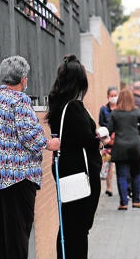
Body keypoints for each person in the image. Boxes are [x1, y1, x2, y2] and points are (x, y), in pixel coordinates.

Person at [0, 55, 60, 259]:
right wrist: (50, 143)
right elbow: (30, 136)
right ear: (23, 79)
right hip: (16, 179)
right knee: (17, 241)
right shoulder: (20, 101)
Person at [47, 55, 102, 259]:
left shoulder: (57, 105)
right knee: (79, 227)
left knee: (69, 224)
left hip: (65, 170)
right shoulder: (74, 107)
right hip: (80, 173)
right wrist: (97, 137)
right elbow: (86, 139)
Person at [107, 89, 140, 210]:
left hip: (120, 146)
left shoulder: (115, 113)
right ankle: (136, 201)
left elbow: (109, 130)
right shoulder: (136, 111)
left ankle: (123, 203)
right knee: (136, 174)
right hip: (135, 146)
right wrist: (136, 127)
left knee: (122, 176)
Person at [98, 86, 118, 197]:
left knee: (116, 164)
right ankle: (108, 188)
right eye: (112, 96)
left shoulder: (120, 108)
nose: (114, 98)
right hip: (107, 141)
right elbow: (101, 123)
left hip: (118, 140)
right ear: (108, 97)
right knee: (107, 163)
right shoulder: (103, 109)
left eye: (115, 95)